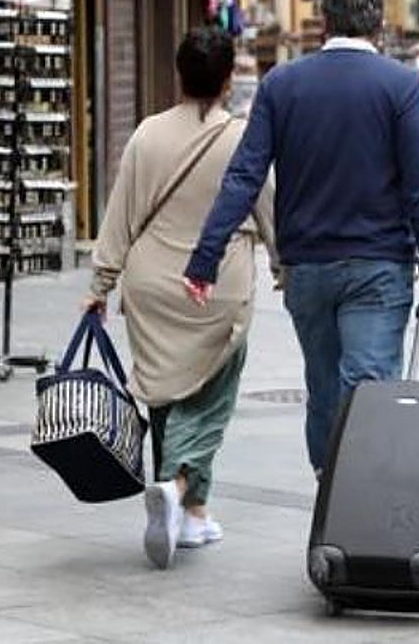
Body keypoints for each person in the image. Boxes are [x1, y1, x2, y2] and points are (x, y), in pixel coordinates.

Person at [182, 0, 419, 479]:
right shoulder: (401, 87)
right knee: (368, 387)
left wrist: (205, 257)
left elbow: (244, 175)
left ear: (323, 25)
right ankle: (356, 506)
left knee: (325, 389)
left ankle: (330, 489)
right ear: (378, 25)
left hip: (307, 268)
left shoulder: (282, 85)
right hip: (379, 266)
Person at [84, 28, 278, 570]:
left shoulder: (146, 134)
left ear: (178, 74)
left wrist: (99, 286)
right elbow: (267, 209)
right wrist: (285, 268)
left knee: (167, 396)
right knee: (212, 396)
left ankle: (192, 514)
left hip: (149, 282)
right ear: (224, 80)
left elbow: (119, 216)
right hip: (215, 285)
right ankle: (175, 485)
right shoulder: (243, 138)